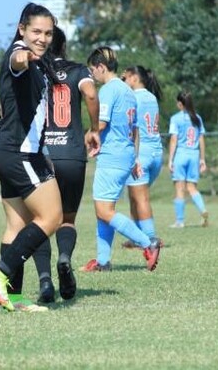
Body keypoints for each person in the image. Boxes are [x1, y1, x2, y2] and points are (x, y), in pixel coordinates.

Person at [0, 2, 63, 312]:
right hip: (18, 153)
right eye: (36, 32)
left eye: (48, 33)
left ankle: (12, 298)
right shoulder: (19, 54)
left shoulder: (39, 61)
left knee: (17, 225)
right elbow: (17, 60)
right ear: (22, 29)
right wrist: (25, 55)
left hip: (9, 150)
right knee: (51, 217)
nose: (42, 38)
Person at [31, 26, 101, 303]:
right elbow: (92, 95)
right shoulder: (78, 70)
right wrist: (94, 128)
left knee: (39, 221)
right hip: (72, 153)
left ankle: (45, 280)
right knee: (67, 219)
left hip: (41, 154)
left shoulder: (35, 71)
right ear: (64, 46)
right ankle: (64, 258)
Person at [80, 47, 161, 273]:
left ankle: (148, 243)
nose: (91, 76)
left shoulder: (108, 91)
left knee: (104, 211)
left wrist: (87, 135)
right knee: (105, 210)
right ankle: (103, 261)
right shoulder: (129, 92)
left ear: (101, 67)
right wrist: (134, 158)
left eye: (92, 70)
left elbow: (101, 124)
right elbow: (135, 131)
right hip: (125, 154)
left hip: (112, 156)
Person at [120, 66, 164, 252]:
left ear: (134, 78)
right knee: (135, 196)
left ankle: (151, 239)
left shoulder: (132, 97)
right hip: (157, 153)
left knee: (141, 198)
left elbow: (133, 129)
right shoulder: (152, 97)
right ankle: (136, 236)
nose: (123, 81)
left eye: (125, 77)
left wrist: (134, 157)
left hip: (141, 154)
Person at [168, 90, 209, 228]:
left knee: (180, 189)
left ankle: (179, 221)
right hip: (194, 155)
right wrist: (202, 159)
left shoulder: (176, 118)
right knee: (192, 188)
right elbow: (201, 139)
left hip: (181, 155)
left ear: (180, 104)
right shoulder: (197, 118)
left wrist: (170, 160)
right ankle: (203, 210)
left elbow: (174, 140)